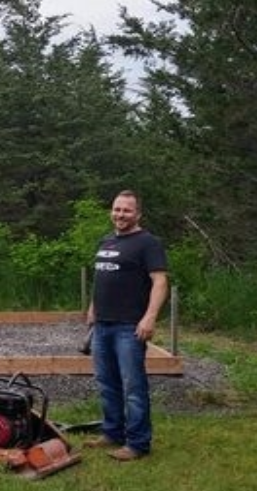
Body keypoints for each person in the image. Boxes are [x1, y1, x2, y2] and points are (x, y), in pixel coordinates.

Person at [84, 189, 168, 461]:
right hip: (103, 326)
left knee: (133, 386)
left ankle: (138, 443)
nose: (120, 214)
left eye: (126, 210)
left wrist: (150, 316)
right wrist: (93, 308)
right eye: (117, 209)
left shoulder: (148, 243)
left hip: (129, 327)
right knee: (106, 382)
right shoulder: (106, 241)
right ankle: (112, 432)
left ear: (138, 214)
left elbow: (160, 281)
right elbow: (101, 278)